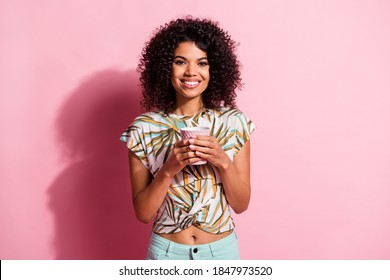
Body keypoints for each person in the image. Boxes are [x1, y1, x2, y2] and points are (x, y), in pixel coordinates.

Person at [120, 17, 255, 260]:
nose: (191, 72)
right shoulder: (143, 129)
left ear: (213, 69)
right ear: (165, 68)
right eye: (180, 62)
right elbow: (143, 213)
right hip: (167, 253)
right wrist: (169, 169)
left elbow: (241, 205)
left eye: (202, 63)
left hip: (221, 252)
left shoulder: (234, 123)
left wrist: (223, 161)